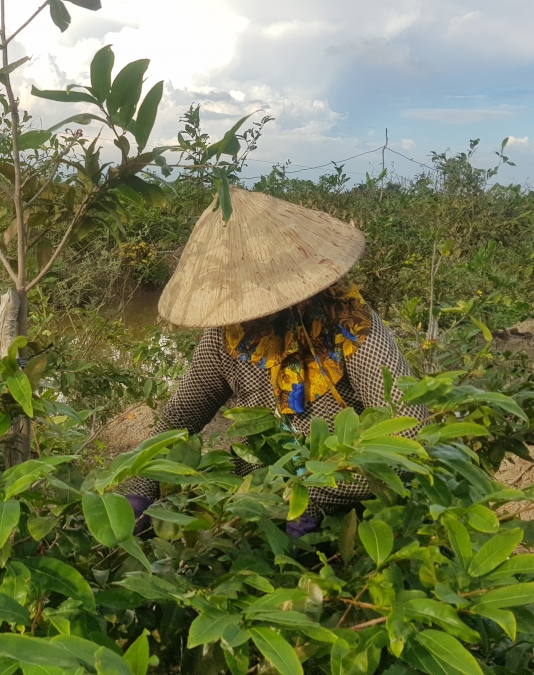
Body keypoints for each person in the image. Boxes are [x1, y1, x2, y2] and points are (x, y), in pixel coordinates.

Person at [121, 187, 427, 537]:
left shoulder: (352, 329)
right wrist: (140, 484)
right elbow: (181, 415)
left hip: (349, 503)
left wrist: (312, 493)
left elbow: (408, 436)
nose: (248, 313)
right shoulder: (228, 338)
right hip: (257, 494)